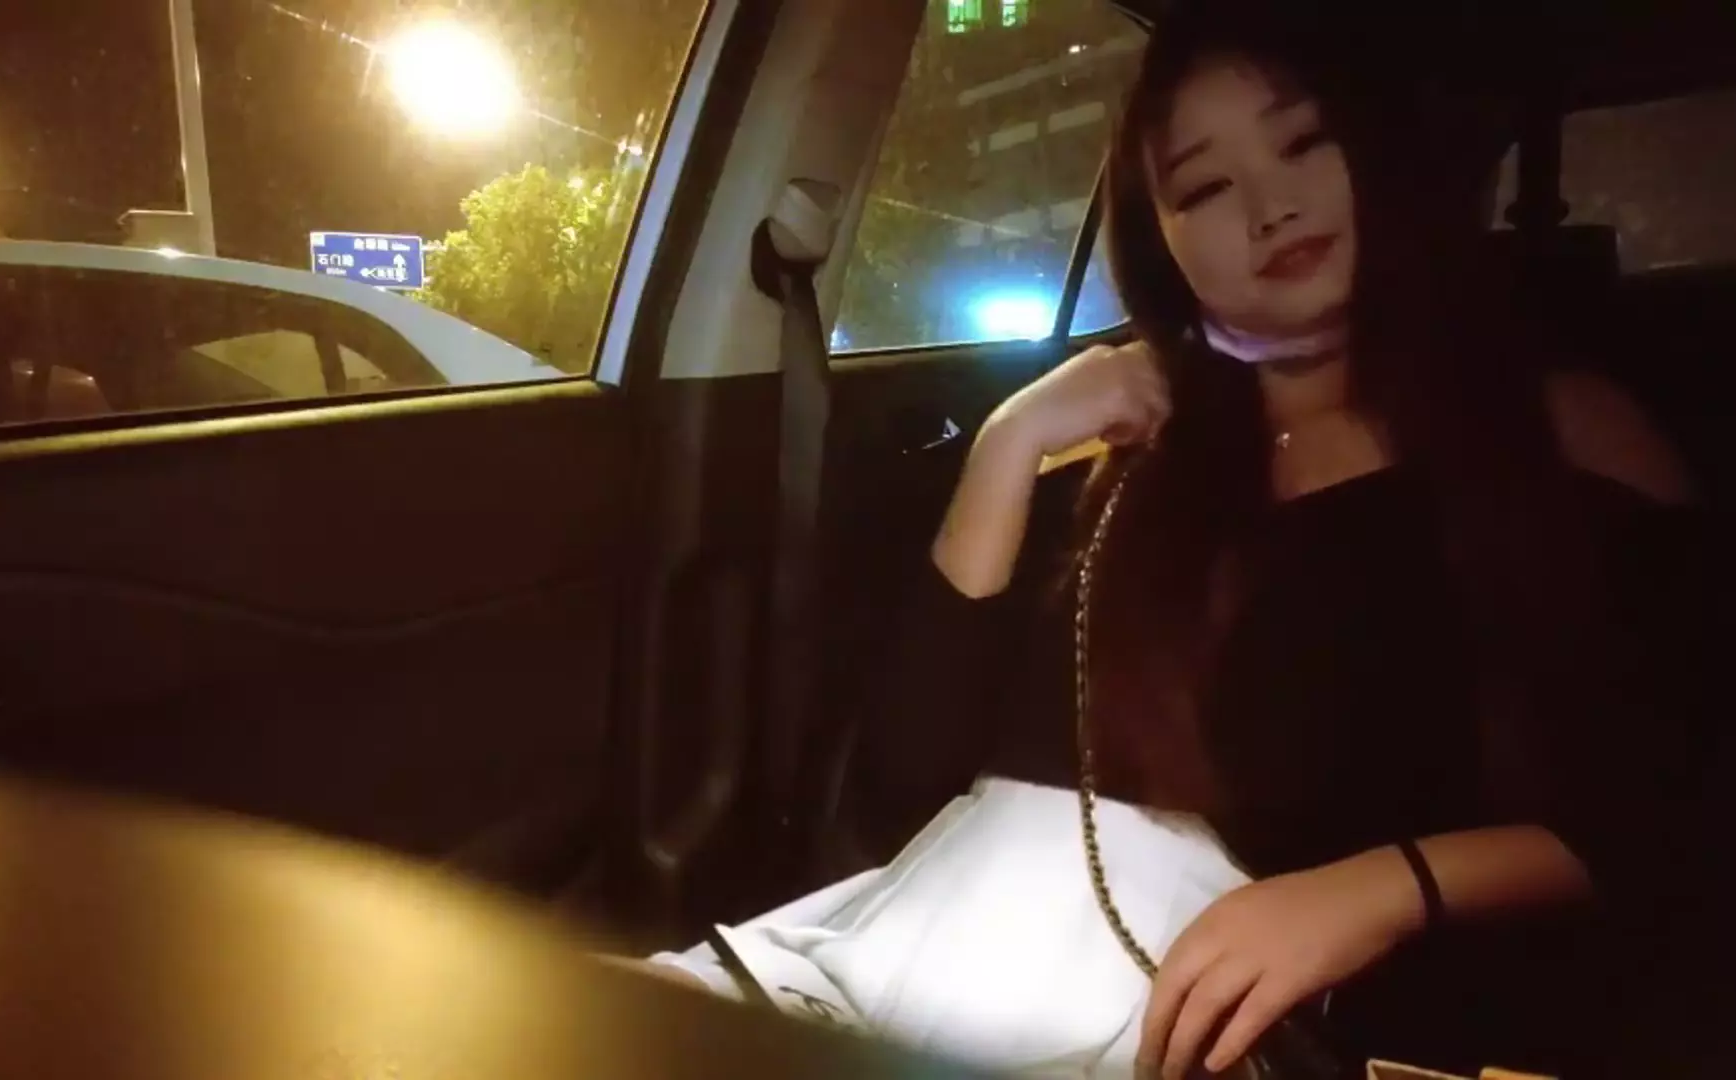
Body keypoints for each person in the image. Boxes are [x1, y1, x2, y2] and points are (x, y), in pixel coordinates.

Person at [649, 1, 1722, 1075]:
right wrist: (1005, 446)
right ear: (1158, 239)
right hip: (894, 962)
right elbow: (899, 785)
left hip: (1214, 1023)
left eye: (1304, 142)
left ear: (1379, 152)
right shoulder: (1126, 454)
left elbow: (1671, 804)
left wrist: (1380, 890)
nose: (1269, 207)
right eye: (1205, 187)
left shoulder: (1555, 431)